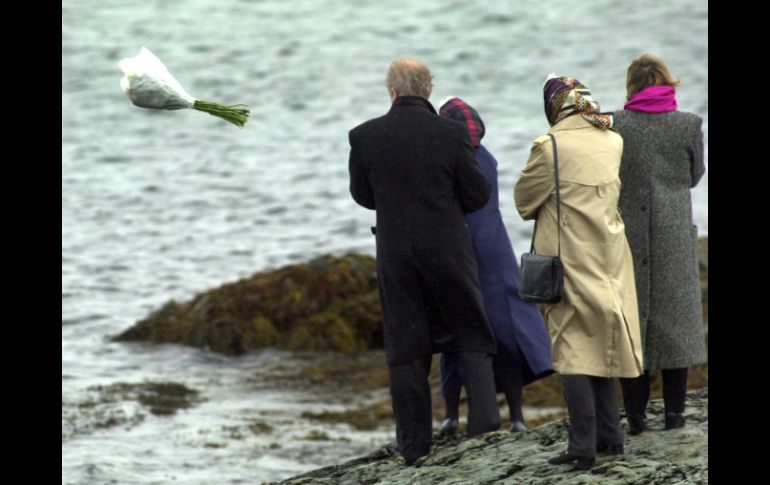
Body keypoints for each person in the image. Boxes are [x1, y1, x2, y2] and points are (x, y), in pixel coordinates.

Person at [348, 59, 501, 465]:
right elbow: (478, 193)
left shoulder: (364, 137)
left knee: (406, 347)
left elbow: (363, 196)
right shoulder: (451, 134)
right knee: (471, 333)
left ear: (392, 91)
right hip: (448, 250)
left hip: (396, 254)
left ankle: (414, 447)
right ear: (428, 91)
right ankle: (485, 429)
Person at [514, 75, 643, 471]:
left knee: (572, 352)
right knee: (602, 342)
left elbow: (524, 202)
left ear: (554, 106)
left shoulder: (549, 146)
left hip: (567, 258)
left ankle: (582, 447)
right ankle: (612, 439)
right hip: (609, 256)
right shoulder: (613, 139)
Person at [436, 97, 554, 434]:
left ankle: (451, 416)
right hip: (496, 250)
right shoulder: (486, 157)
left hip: (460, 249)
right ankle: (517, 417)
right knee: (507, 336)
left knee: (456, 335)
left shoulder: (449, 158)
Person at [613, 54, 707, 434]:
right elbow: (694, 175)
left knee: (632, 329)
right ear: (668, 83)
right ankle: (675, 416)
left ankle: (635, 419)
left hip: (628, 239)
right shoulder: (689, 125)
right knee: (676, 329)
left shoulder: (616, 124)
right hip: (673, 238)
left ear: (632, 86)